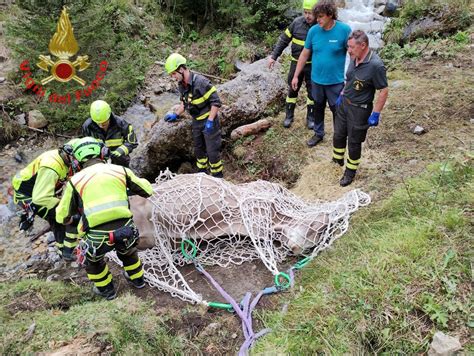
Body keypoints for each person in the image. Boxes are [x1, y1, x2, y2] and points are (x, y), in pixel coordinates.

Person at [56, 137, 153, 300]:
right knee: (128, 252)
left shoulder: (75, 181)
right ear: (103, 153)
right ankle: (138, 280)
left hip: (96, 238)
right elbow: (147, 190)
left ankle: (107, 291)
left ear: (77, 161)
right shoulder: (120, 170)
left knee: (93, 262)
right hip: (126, 231)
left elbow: (61, 215)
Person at [291, 0, 351, 147]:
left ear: (330, 15)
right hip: (316, 80)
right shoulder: (314, 31)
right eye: (316, 16)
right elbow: (304, 54)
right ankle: (318, 133)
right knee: (317, 108)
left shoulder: (344, 30)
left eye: (321, 17)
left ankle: (339, 136)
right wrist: (295, 76)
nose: (317, 20)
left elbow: (353, 55)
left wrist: (350, 79)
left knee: (337, 110)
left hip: (335, 82)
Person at [333, 30, 389, 186]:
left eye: (351, 47)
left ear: (363, 45)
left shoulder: (375, 66)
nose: (348, 51)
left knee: (354, 141)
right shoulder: (354, 57)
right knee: (338, 134)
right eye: (348, 47)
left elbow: (383, 90)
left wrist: (376, 113)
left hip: (360, 109)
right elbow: (350, 78)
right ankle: (337, 160)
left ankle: (350, 172)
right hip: (345, 104)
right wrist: (343, 93)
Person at [11, 140, 79, 258]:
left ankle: (63, 248)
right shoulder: (52, 167)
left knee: (60, 214)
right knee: (61, 215)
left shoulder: (65, 159)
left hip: (41, 189)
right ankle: (65, 251)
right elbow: (41, 198)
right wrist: (63, 203)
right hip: (29, 195)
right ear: (69, 155)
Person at [163, 53, 223, 178]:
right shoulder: (181, 85)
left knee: (212, 153)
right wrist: (176, 114)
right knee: (199, 152)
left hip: (208, 121)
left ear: (181, 69)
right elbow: (185, 103)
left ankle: (218, 177)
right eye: (171, 75)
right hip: (196, 122)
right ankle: (203, 176)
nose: (173, 77)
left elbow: (216, 102)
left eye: (174, 74)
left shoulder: (201, 82)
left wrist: (210, 121)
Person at [268, 0, 318, 129]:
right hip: (296, 63)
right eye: (306, 12)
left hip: (313, 65)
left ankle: (310, 118)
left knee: (312, 92)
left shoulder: (320, 26)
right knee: (292, 89)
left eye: (310, 13)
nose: (308, 16)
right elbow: (284, 40)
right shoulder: (296, 23)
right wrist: (274, 56)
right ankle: (289, 116)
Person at [82, 100, 138, 167]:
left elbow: (132, 142)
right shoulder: (88, 126)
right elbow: (86, 144)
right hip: (99, 158)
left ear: (109, 116)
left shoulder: (121, 124)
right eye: (98, 123)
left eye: (104, 122)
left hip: (119, 158)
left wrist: (121, 150)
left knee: (121, 164)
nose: (101, 125)